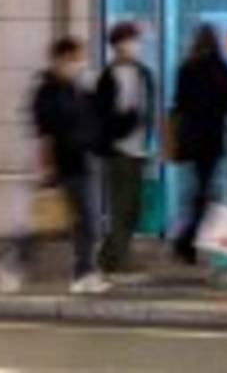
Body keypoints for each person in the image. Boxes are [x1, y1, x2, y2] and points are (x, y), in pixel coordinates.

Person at [0, 38, 107, 296]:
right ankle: (12, 266)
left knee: (85, 223)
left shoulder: (74, 88)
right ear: (61, 60)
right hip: (61, 166)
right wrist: (46, 168)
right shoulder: (47, 91)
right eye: (76, 59)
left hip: (80, 162)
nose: (80, 64)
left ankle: (84, 273)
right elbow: (45, 133)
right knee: (47, 224)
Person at [169, 25, 227, 265]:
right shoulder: (223, 70)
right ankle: (187, 240)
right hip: (212, 137)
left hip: (191, 138)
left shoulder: (186, 69)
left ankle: (187, 240)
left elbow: (179, 102)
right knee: (204, 189)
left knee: (200, 188)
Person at [93, 21, 154, 280]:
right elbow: (104, 117)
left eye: (136, 40)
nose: (135, 45)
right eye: (130, 40)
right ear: (117, 44)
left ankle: (108, 256)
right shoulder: (108, 77)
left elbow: (148, 108)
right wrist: (128, 119)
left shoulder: (143, 73)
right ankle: (120, 259)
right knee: (122, 206)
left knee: (132, 206)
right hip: (118, 150)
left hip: (138, 148)